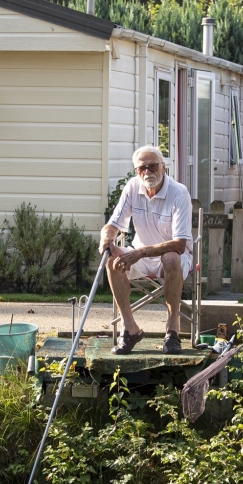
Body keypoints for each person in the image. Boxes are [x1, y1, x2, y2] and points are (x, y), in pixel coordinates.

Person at [99, 146, 193, 355]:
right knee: (112, 260)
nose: (148, 171)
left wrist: (138, 253)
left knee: (170, 258)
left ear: (163, 167)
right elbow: (113, 224)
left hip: (175, 259)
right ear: (136, 171)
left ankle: (172, 330)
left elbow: (179, 245)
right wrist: (106, 238)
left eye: (153, 166)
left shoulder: (179, 193)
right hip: (140, 255)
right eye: (142, 168)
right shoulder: (132, 187)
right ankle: (130, 328)